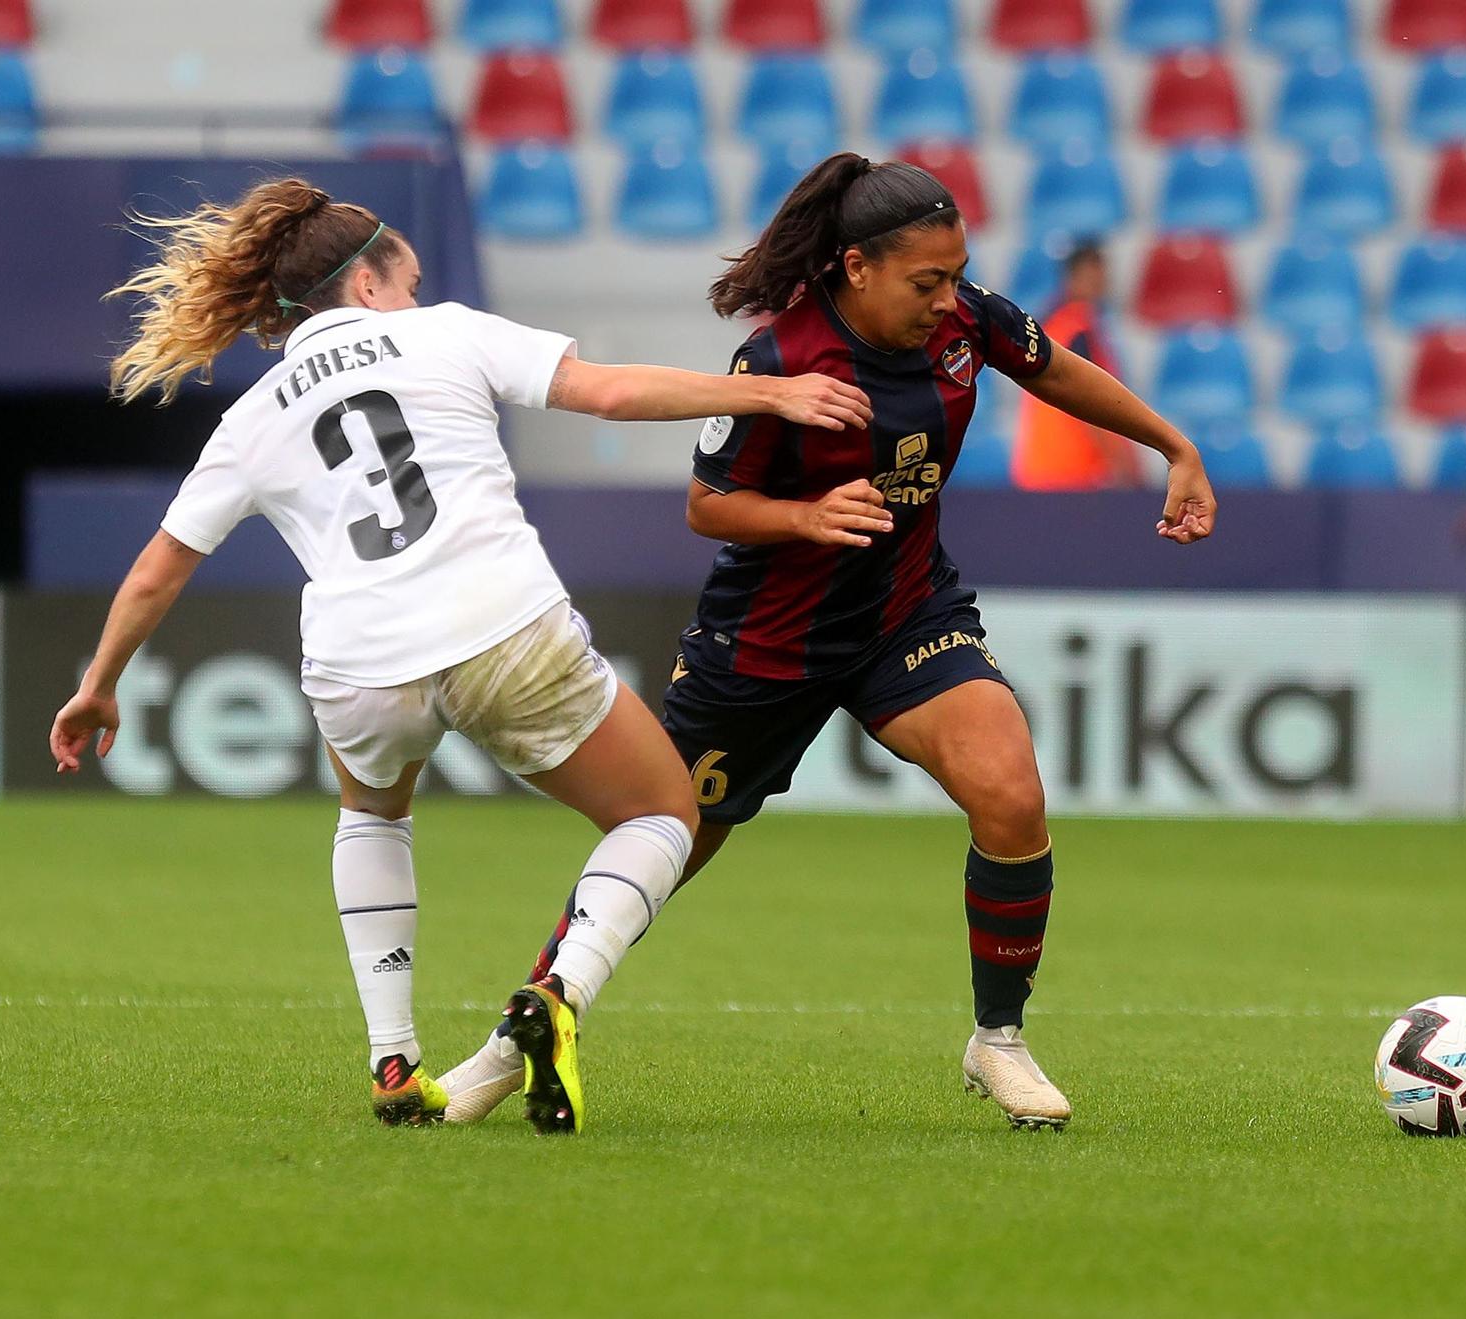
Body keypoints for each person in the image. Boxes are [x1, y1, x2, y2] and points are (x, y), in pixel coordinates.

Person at [46, 177, 872, 1134]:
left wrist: (98, 685)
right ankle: (558, 994)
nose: (413, 295)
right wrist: (768, 389)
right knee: (662, 810)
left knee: (372, 818)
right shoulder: (446, 332)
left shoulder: (255, 414)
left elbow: (157, 569)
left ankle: (392, 1059)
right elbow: (605, 392)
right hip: (501, 627)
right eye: (408, 282)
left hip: (358, 667)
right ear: (365, 286)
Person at [441, 154, 1216, 1131]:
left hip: (903, 617)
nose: (947, 299)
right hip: (764, 642)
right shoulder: (777, 362)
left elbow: (1050, 366)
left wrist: (1171, 446)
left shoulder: (965, 318)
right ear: (856, 267)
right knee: (663, 842)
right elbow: (706, 505)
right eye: (924, 281)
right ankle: (518, 1040)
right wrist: (805, 518)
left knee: (1010, 793)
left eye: (955, 274)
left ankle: (998, 1040)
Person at [1012, 241, 1141, 490]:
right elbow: (1092, 402)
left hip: (1039, 471)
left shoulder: (1048, 326)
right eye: (1094, 278)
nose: (1100, 286)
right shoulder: (1077, 329)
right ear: (1072, 278)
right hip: (1075, 473)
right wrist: (1124, 465)